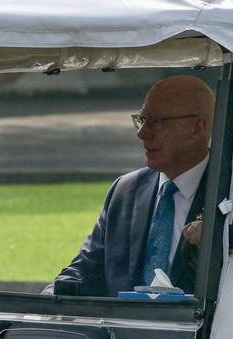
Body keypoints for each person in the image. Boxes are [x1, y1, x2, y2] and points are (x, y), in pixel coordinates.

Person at [46, 75, 214, 297]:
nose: (142, 133)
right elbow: (85, 271)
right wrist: (39, 308)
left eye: (156, 122)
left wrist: (215, 243)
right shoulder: (125, 191)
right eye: (141, 120)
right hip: (122, 331)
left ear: (198, 127)